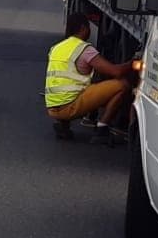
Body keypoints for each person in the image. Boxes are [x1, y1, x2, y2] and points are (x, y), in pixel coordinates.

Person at [45, 13, 137, 143]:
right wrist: (134, 63)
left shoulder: (56, 48)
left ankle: (63, 125)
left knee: (86, 86)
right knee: (123, 85)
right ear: (83, 29)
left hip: (53, 107)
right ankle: (102, 128)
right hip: (70, 106)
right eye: (88, 27)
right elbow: (116, 72)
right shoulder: (84, 49)